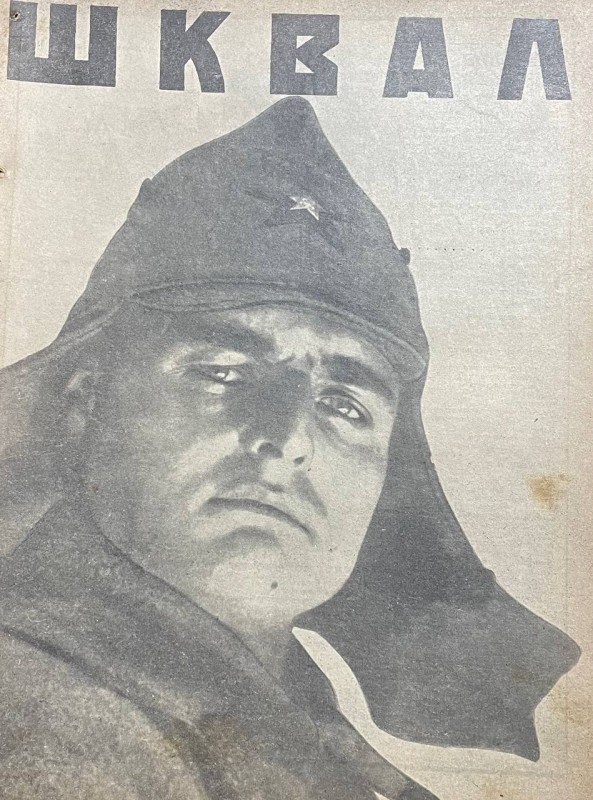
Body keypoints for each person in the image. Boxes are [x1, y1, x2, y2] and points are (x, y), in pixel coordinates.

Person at [0, 98, 579, 800]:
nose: (286, 440)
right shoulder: (46, 712)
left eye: (344, 405)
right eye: (223, 371)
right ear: (83, 402)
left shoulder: (289, 714)